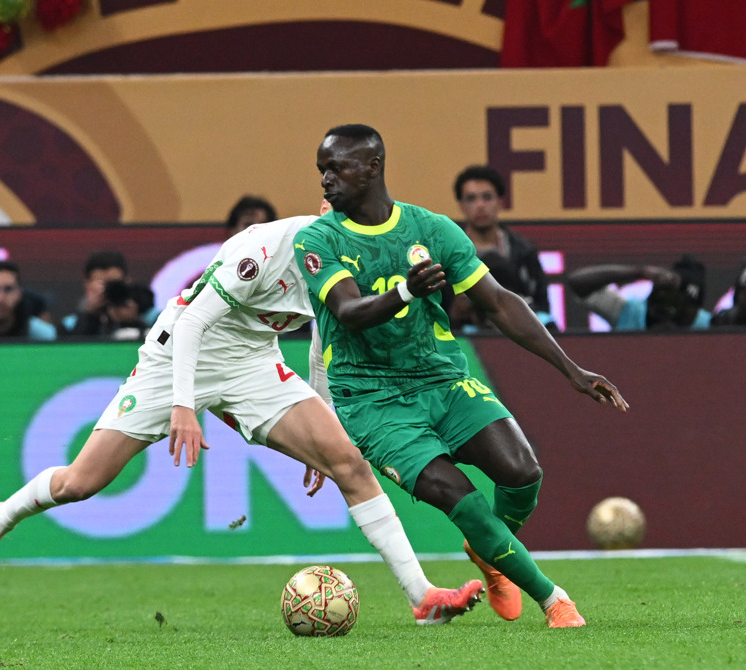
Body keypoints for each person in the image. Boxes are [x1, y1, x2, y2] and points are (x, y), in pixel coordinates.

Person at [0, 203, 484, 627]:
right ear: (323, 213)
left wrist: (321, 426)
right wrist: (184, 406)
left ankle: (422, 598)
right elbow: (193, 323)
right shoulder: (264, 249)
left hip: (252, 360)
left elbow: (323, 345)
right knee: (81, 482)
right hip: (180, 353)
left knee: (349, 463)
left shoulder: (349, 266)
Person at [294, 124, 629, 628]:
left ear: (373, 166)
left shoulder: (431, 229)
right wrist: (405, 291)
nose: (325, 180)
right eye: (322, 169)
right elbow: (349, 311)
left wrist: (571, 369)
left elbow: (498, 302)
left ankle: (490, 550)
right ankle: (555, 600)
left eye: (336, 168)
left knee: (523, 472)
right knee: (460, 497)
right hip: (372, 399)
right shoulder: (319, 238)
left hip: (441, 379)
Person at [450, 165, 556, 333]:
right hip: (466, 337)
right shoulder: (448, 254)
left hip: (519, 334)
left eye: (487, 197)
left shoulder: (524, 251)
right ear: (461, 205)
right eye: (471, 198)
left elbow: (542, 306)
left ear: (500, 202)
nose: (480, 205)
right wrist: (456, 312)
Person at [566, 255, 712, 331]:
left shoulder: (708, 325)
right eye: (665, 299)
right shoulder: (632, 312)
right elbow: (577, 283)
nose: (670, 312)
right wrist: (639, 272)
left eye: (685, 306)